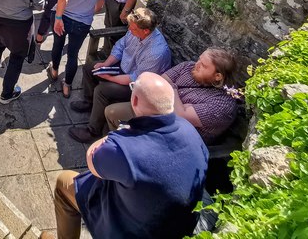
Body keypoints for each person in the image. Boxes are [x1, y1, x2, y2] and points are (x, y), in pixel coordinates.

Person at [52, 72, 208, 239]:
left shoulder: (126, 148)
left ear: (134, 101)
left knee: (64, 182)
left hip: (132, 230)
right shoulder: (191, 132)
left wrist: (121, 132)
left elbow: (92, 157)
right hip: (176, 227)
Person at [69, 7, 171, 143]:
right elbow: (120, 46)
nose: (129, 30)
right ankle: (89, 103)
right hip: (124, 68)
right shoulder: (136, 30)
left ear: (145, 31)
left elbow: (135, 79)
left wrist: (110, 78)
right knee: (89, 68)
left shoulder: (156, 52)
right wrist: (106, 64)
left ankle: (93, 131)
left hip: (137, 87)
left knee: (102, 90)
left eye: (133, 29)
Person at [105, 49, 239, 143]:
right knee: (111, 111)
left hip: (173, 137)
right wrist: (181, 105)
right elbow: (160, 80)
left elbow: (180, 116)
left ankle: (121, 149)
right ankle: (114, 145)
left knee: (117, 117)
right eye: (199, 59)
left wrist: (173, 89)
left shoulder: (222, 104)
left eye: (203, 66)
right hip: (155, 111)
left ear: (218, 76)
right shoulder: (188, 67)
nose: (196, 65)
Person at [48, 0, 108, 98]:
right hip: (83, 22)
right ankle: (67, 86)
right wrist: (85, 12)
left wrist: (59, 17)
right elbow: (99, 7)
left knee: (58, 45)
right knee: (73, 55)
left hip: (64, 16)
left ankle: (54, 71)